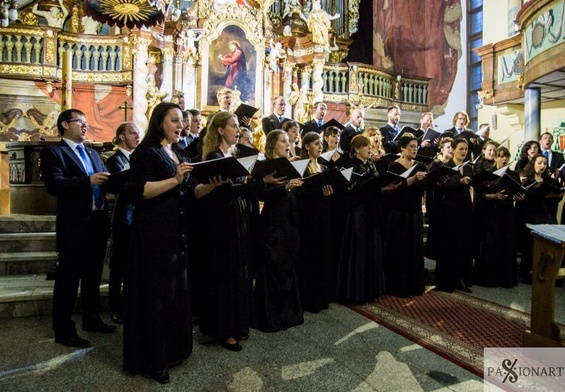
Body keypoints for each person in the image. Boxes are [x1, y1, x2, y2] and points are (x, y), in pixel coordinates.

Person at [123, 102, 218, 384]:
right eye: (174, 120)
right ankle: (154, 360)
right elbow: (139, 192)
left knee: (174, 293)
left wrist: (213, 183)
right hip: (152, 231)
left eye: (182, 121)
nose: (181, 125)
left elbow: (193, 192)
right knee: (156, 295)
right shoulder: (146, 151)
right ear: (160, 122)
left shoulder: (178, 151)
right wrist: (176, 179)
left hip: (177, 229)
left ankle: (174, 350)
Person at [41, 109, 115, 349]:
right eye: (80, 122)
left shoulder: (94, 154)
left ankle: (92, 319)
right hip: (74, 226)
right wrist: (88, 181)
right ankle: (63, 330)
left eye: (86, 123)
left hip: (97, 223)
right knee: (68, 280)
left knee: (93, 277)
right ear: (64, 124)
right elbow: (54, 185)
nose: (85, 126)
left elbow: (105, 182)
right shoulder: (55, 152)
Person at [336, 135, 398, 303]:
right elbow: (349, 192)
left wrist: (385, 187)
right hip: (358, 213)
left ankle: (370, 289)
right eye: (366, 146)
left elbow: (372, 189)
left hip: (371, 211)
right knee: (359, 252)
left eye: (370, 146)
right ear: (356, 149)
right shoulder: (351, 167)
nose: (370, 149)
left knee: (371, 250)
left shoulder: (370, 166)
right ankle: (356, 291)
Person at [254, 130, 305, 332]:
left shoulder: (291, 165)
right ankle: (269, 316)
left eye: (288, 140)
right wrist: (284, 188)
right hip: (273, 223)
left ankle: (287, 314)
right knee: (273, 268)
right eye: (283, 140)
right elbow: (261, 193)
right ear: (273, 144)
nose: (288, 143)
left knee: (287, 265)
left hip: (290, 222)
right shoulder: (265, 166)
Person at [106, 122, 141, 324]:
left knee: (134, 264)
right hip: (124, 217)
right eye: (133, 133)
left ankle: (131, 303)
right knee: (119, 265)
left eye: (138, 133)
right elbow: (120, 185)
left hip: (139, 215)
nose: (137, 136)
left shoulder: (139, 157)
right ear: (121, 137)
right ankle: (115, 306)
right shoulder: (115, 159)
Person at [384, 134, 428, 297]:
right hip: (399, 213)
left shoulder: (421, 165)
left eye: (417, 146)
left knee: (414, 250)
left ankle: (414, 285)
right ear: (402, 148)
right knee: (400, 249)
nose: (415, 149)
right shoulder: (394, 166)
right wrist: (412, 180)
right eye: (411, 146)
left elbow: (423, 188)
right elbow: (393, 189)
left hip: (415, 212)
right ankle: (398, 286)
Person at [474, 146, 522, 288]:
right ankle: (489, 279)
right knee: (491, 244)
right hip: (491, 212)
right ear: (495, 157)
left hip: (507, 212)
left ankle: (506, 279)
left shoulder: (513, 175)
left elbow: (516, 192)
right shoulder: (488, 173)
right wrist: (494, 196)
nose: (505, 159)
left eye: (507, 156)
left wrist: (519, 196)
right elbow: (481, 195)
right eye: (501, 156)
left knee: (507, 244)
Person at [297, 132, 334, 312]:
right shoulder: (301, 167)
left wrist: (328, 192)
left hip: (323, 214)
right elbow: (300, 194)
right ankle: (309, 298)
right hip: (308, 215)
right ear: (306, 146)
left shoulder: (324, 168)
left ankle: (322, 296)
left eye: (321, 144)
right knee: (310, 255)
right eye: (316, 144)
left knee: (323, 253)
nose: (320, 147)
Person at [433, 138, 475, 293]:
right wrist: (459, 182)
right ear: (453, 150)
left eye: (466, 149)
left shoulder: (469, 168)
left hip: (465, 210)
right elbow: (441, 188)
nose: (464, 152)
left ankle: (460, 279)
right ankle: (445, 281)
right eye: (461, 149)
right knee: (448, 246)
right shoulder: (446, 167)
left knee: (463, 247)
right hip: (449, 211)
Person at [517, 154, 560, 284]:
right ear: (533, 164)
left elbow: (556, 195)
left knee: (549, 245)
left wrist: (557, 194)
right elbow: (524, 199)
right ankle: (527, 274)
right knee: (530, 247)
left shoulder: (548, 180)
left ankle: (548, 274)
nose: (542, 166)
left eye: (545, 164)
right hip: (530, 215)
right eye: (540, 163)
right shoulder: (527, 180)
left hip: (545, 215)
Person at [424, 137, 454, 260]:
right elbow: (429, 181)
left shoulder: (453, 164)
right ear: (441, 149)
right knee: (436, 227)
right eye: (448, 147)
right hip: (435, 199)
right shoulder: (435, 164)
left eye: (452, 147)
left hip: (448, 199)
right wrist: (437, 184)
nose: (451, 150)